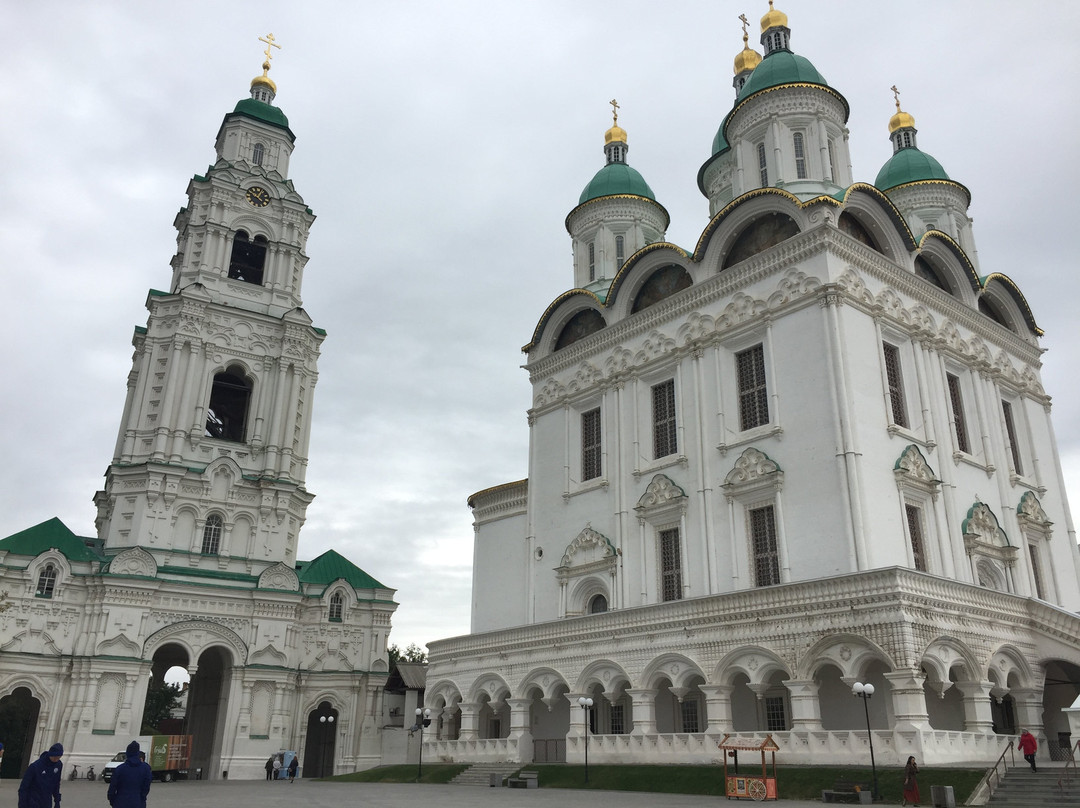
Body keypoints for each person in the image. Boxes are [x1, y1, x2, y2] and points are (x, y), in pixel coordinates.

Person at [106, 741, 151, 808]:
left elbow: (112, 788)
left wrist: (113, 801)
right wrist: (142, 798)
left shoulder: (120, 769)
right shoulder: (146, 768)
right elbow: (146, 787)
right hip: (138, 802)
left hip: (120, 802)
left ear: (127, 753)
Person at [18, 743, 63, 808]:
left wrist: (57, 801)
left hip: (47, 801)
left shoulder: (58, 765)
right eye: (55, 757)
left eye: (59, 757)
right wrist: (22, 805)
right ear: (50, 754)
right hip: (33, 801)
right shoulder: (35, 766)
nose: (56, 759)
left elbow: (56, 783)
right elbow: (23, 788)